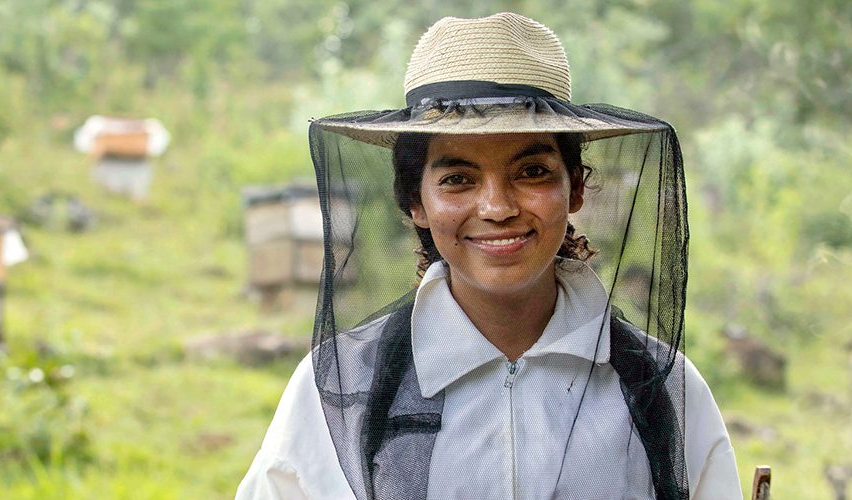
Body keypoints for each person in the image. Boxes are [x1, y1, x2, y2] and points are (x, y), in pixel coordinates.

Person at [238, 12, 740, 499]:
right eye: (458, 179)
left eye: (532, 173)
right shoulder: (341, 385)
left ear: (577, 189)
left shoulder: (660, 385)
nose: (497, 207)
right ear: (415, 201)